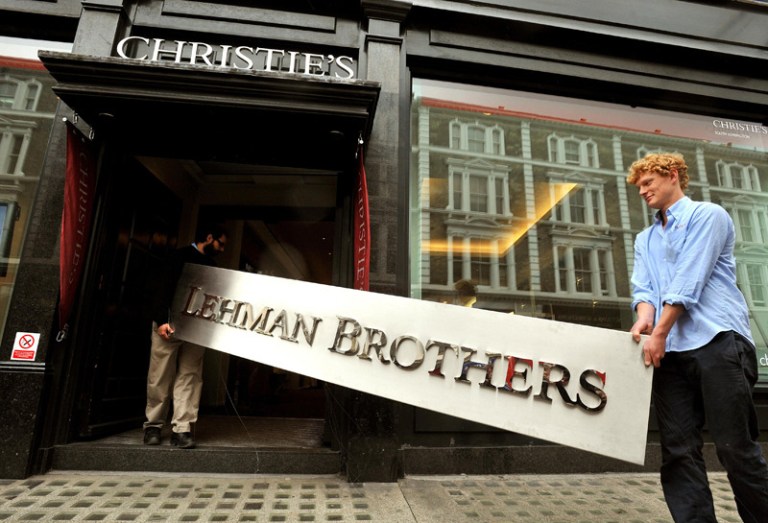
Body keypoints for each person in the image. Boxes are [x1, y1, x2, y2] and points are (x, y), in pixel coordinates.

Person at [627, 152, 768, 522]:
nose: (642, 191)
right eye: (638, 186)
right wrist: (644, 322)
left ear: (673, 175)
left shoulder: (709, 216)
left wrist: (658, 330)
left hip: (718, 342)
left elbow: (689, 280)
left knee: (735, 448)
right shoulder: (644, 238)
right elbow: (644, 289)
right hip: (669, 352)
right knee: (678, 451)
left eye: (648, 183)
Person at [143, 223, 227, 449]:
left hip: (196, 330)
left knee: (190, 376)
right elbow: (161, 287)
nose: (221, 249)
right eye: (220, 243)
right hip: (169, 325)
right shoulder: (177, 256)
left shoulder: (212, 265)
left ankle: (182, 428)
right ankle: (153, 425)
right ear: (208, 237)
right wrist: (161, 319)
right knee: (160, 374)